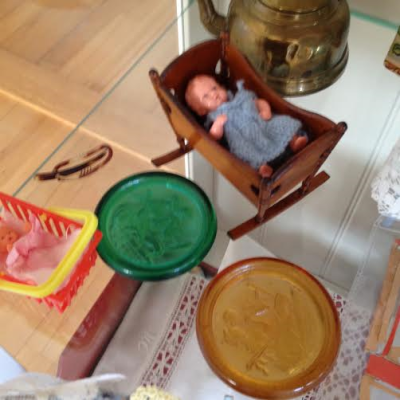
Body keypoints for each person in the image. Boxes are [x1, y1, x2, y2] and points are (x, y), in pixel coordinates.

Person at [185, 74, 308, 177]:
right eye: (206, 96)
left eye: (214, 88)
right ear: (202, 110)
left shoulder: (240, 97)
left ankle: (294, 140)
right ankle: (262, 167)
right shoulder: (214, 117)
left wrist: (265, 110)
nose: (214, 94)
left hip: (262, 125)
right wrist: (218, 124)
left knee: (281, 123)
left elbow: (258, 102)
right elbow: (213, 137)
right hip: (243, 139)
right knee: (246, 153)